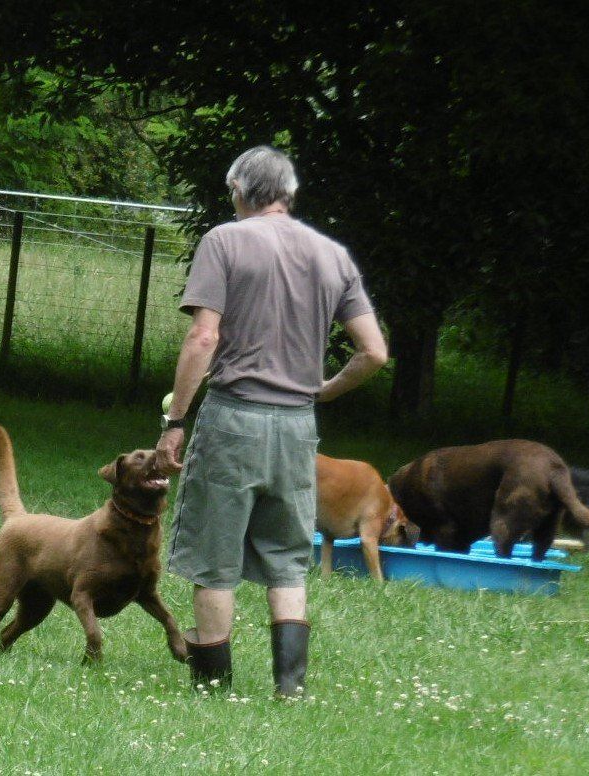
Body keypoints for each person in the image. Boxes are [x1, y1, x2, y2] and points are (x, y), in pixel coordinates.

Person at [155, 145, 388, 697]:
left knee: (215, 557)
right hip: (297, 428)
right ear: (289, 193)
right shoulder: (333, 254)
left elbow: (204, 336)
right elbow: (374, 352)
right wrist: (324, 390)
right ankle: (290, 689)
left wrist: (175, 418)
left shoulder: (224, 241)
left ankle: (213, 687)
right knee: (287, 559)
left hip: (234, 418)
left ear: (239, 190)